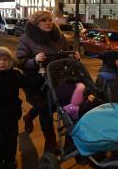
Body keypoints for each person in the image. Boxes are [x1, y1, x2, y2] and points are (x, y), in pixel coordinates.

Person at [16, 10, 75, 153]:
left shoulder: (58, 36)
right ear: (36, 23)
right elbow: (20, 61)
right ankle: (50, 142)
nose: (48, 23)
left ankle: (29, 116)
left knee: (59, 105)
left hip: (58, 78)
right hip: (38, 81)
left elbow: (67, 52)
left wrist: (74, 56)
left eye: (49, 20)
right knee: (45, 109)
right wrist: (34, 61)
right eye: (44, 20)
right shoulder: (27, 38)